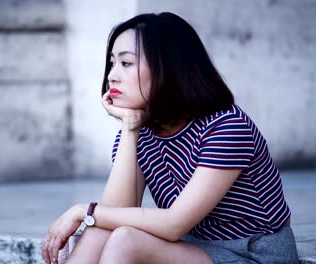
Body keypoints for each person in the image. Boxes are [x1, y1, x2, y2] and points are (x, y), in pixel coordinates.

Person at [41, 12, 299, 264]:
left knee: (123, 238)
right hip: (194, 244)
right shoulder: (139, 131)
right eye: (112, 63)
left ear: (168, 68)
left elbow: (174, 223)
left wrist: (81, 212)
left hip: (251, 251)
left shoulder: (226, 126)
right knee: (103, 227)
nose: (112, 75)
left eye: (126, 63)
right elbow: (115, 212)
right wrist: (130, 130)